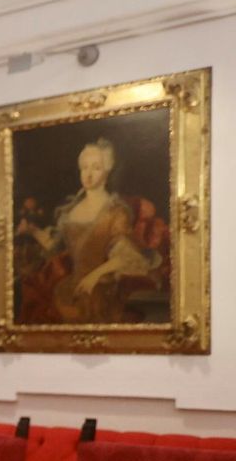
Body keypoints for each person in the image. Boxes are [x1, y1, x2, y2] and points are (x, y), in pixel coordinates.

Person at [16, 138, 163, 323]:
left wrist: (94, 276)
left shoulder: (115, 211)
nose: (89, 174)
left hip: (102, 290)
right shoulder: (70, 210)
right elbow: (55, 247)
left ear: (107, 170)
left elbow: (126, 256)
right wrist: (32, 231)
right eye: (84, 167)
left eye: (96, 167)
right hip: (72, 288)